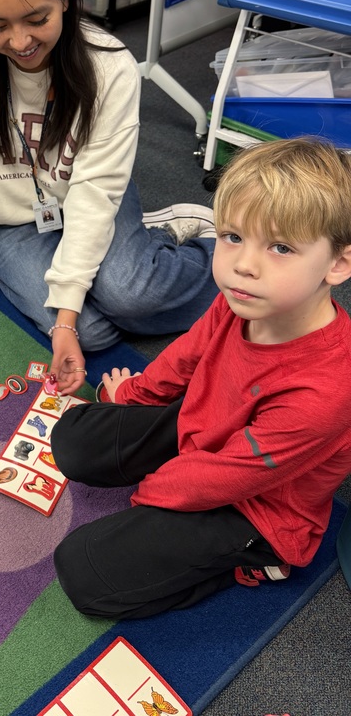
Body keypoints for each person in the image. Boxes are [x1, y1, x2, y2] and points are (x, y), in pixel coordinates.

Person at [51, 137, 351, 619]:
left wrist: (149, 500)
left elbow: (223, 478)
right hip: (208, 435)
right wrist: (130, 397)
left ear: (337, 263)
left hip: (258, 507)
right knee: (73, 436)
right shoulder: (244, 297)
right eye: (233, 236)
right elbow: (186, 357)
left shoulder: (328, 391)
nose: (244, 265)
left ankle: (258, 560)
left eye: (280, 247)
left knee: (84, 573)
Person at [0, 0, 218, 394]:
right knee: (93, 332)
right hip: (13, 221)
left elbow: (95, 190)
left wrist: (62, 313)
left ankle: (198, 242)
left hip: (88, 196)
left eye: (37, 19)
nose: (20, 42)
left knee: (130, 296)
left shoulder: (110, 66)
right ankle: (144, 245)